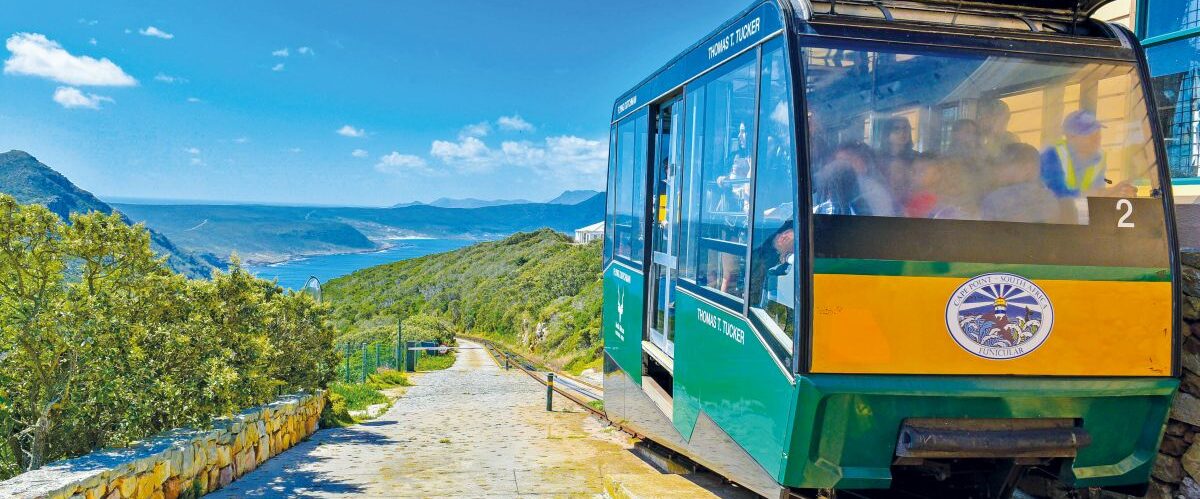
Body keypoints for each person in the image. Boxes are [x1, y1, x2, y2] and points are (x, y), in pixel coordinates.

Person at [1039, 110, 1133, 198]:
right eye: (1089, 134)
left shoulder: (1099, 158)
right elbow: (1058, 196)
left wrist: (1116, 192)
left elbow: (1095, 194)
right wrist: (1109, 191)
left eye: (1097, 132)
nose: (1097, 138)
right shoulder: (1051, 156)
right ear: (1070, 136)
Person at [981, 143, 1059, 223]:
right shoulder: (1050, 198)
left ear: (1027, 168)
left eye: (1005, 165)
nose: (1000, 171)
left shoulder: (996, 200)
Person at [812, 142, 896, 216]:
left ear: (864, 165)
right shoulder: (834, 188)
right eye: (838, 162)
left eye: (847, 161)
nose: (840, 167)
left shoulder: (874, 191)